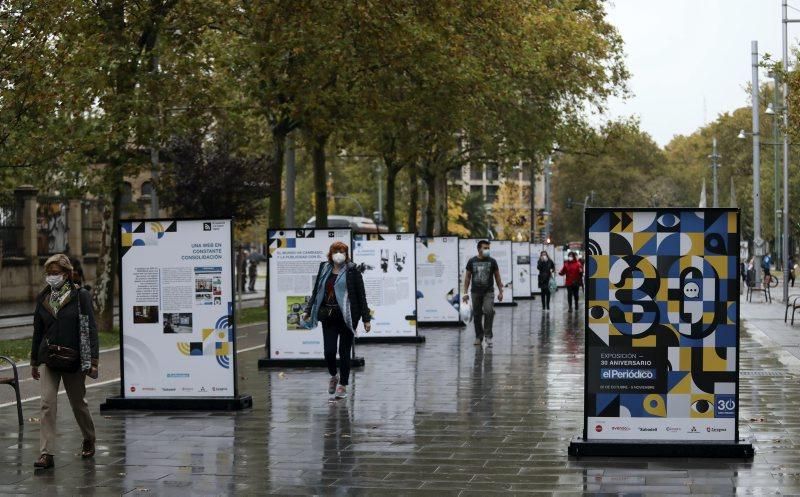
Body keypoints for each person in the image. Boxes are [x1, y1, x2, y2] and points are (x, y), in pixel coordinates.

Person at [30, 254, 99, 469]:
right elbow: (38, 331)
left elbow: (90, 328)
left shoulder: (81, 296)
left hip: (73, 359)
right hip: (48, 358)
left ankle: (89, 437)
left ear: (67, 274)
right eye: (49, 274)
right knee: (47, 404)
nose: (51, 277)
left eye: (56, 273)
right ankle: (46, 453)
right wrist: (34, 360)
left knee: (78, 403)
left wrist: (93, 360)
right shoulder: (43, 298)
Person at [302, 242, 371, 399]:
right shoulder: (324, 268)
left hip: (347, 317)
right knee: (329, 351)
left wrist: (366, 319)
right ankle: (334, 376)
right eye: (336, 251)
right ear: (330, 253)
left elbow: (361, 296)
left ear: (346, 254)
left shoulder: (353, 271)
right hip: (328, 316)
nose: (339, 254)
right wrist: (308, 310)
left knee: (344, 352)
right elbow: (316, 291)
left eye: (342, 251)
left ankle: (343, 384)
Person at [462, 240, 503, 348]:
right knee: (477, 315)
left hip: (488, 292)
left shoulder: (492, 261)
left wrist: (500, 291)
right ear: (479, 249)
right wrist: (465, 293)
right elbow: (467, 278)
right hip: (475, 292)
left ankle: (488, 336)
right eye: (485, 248)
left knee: (489, 311)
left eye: (488, 248)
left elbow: (497, 277)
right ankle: (478, 336)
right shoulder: (472, 261)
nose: (487, 250)